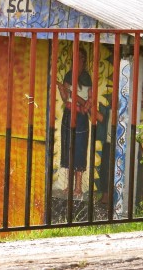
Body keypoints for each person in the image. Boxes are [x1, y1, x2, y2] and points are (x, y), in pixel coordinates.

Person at [56, 47, 92, 197]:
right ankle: (69, 186)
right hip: (68, 115)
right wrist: (62, 90)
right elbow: (65, 99)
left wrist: (82, 105)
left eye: (80, 59)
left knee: (79, 150)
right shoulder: (68, 75)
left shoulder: (87, 78)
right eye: (74, 59)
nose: (76, 62)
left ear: (84, 60)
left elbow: (90, 100)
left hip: (81, 118)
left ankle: (78, 187)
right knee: (68, 149)